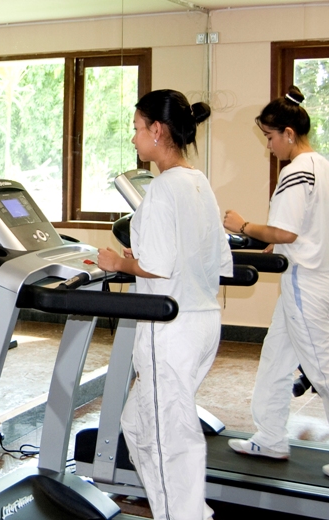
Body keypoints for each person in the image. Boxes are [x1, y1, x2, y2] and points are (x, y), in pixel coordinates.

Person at [97, 90, 232, 520]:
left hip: (169, 329)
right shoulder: (199, 182)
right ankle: (172, 509)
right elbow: (217, 258)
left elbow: (156, 264)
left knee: (172, 439)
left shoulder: (161, 189)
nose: (134, 139)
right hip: (203, 322)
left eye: (137, 129)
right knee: (137, 425)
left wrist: (117, 262)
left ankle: (187, 516)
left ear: (158, 130)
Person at [223, 86, 329, 476]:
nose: (269, 146)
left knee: (320, 367)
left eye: (269, 137)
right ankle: (269, 437)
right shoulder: (322, 165)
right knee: (276, 357)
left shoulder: (296, 170)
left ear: (288, 132)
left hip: (307, 281)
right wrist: (279, 246)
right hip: (311, 275)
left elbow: (285, 232)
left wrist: (244, 226)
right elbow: (308, 228)